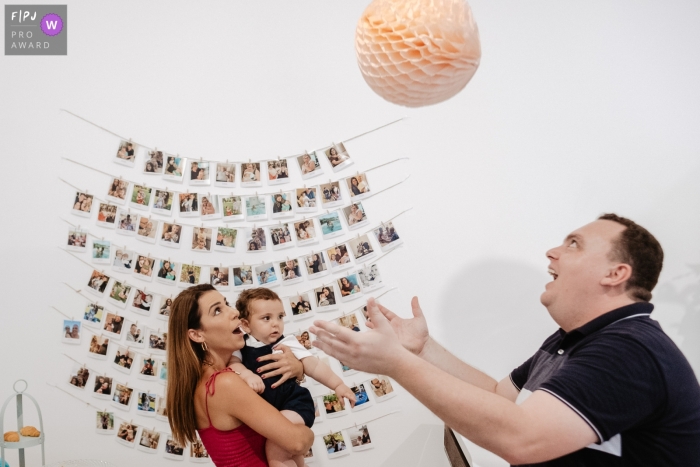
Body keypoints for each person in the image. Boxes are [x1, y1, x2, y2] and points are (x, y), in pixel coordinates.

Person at [311, 214, 700, 465]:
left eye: (574, 244)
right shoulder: (575, 340)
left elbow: (521, 438)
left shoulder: (629, 349)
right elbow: (501, 397)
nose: (553, 252)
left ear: (615, 274)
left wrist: (396, 362)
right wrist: (421, 350)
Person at [166, 284, 314, 467]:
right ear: (197, 335)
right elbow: (297, 442)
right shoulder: (225, 383)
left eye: (226, 304)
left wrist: (297, 370)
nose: (234, 312)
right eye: (217, 310)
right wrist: (307, 429)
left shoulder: (210, 380)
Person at [228, 288, 355, 467]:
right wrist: (247, 374)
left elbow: (314, 364)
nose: (276, 324)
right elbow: (233, 364)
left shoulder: (285, 342)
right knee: (291, 455)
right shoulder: (241, 346)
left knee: (276, 449)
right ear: (246, 325)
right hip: (273, 409)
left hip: (294, 403)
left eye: (280, 317)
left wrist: (338, 385)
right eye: (267, 318)